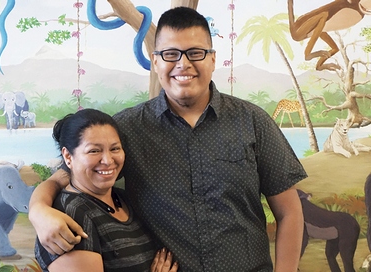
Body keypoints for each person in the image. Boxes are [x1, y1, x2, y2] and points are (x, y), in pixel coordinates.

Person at [29, 7, 307, 272]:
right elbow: (71, 173)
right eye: (171, 54)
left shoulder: (253, 121)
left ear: (212, 58)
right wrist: (39, 210)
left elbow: (289, 213)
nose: (183, 64)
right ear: (155, 60)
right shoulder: (126, 129)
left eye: (195, 53)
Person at [34, 109, 178, 272]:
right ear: (68, 157)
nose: (108, 160)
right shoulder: (73, 214)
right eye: (94, 151)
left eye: (115, 149)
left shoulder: (124, 198)